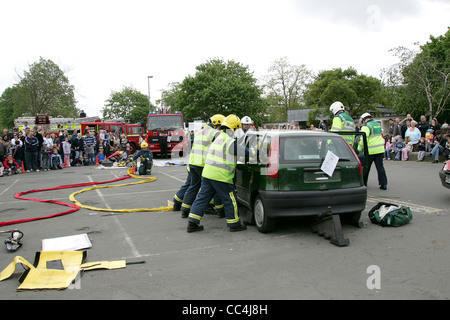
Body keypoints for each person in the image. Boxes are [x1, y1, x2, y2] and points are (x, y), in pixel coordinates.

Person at [187, 114, 250, 233]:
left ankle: (192, 224)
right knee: (230, 199)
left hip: (207, 173)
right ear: (234, 128)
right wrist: (260, 152)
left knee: (202, 198)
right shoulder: (231, 142)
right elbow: (246, 153)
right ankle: (234, 224)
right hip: (220, 176)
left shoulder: (220, 137)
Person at [179, 115, 223, 218]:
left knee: (193, 186)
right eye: (221, 126)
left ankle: (185, 210)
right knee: (207, 189)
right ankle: (210, 207)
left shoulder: (201, 131)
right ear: (217, 124)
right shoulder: (215, 133)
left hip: (193, 162)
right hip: (203, 164)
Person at [358, 113, 388, 190]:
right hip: (380, 149)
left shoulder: (366, 126)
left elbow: (363, 139)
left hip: (370, 150)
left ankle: (364, 183)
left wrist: (359, 148)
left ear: (364, 119)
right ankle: (383, 184)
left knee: (366, 168)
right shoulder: (377, 124)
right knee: (380, 167)